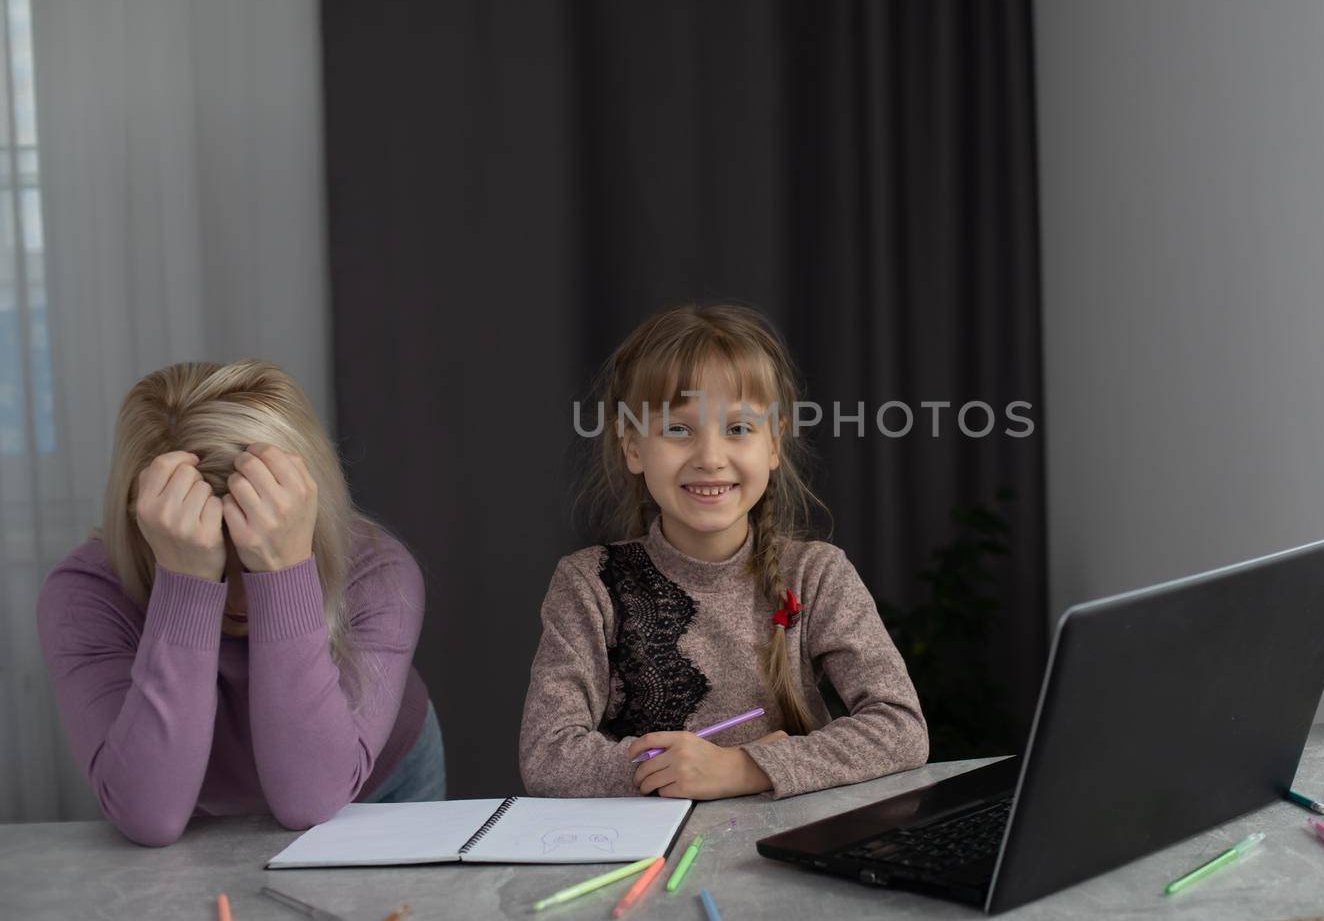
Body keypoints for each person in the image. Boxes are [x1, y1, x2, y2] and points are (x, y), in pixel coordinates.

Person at [519, 302, 928, 800]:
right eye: (677, 429)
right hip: (642, 857)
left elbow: (901, 728)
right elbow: (547, 755)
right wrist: (681, 770)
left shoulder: (817, 574)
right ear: (632, 447)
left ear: (773, 444)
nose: (711, 458)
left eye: (737, 429)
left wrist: (742, 769)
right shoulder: (588, 583)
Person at [36, 360, 442, 847]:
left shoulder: (376, 571)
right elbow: (148, 815)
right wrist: (185, 584)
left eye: (254, 558)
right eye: (215, 563)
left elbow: (311, 798)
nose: (239, 596)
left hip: (380, 787)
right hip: (193, 802)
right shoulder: (84, 595)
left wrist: (285, 574)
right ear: (144, 521)